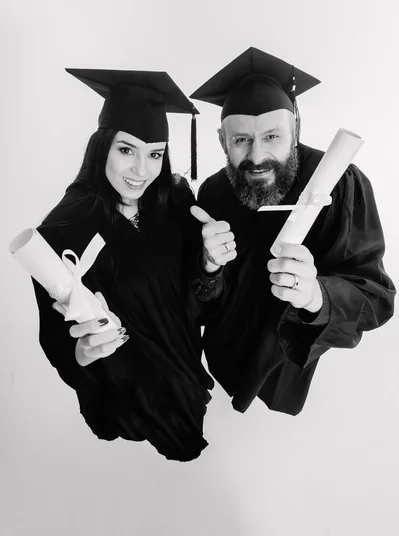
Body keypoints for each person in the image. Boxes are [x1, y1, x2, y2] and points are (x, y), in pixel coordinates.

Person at [189, 47, 395, 415]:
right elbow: (203, 302)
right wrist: (208, 267)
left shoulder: (339, 182)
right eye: (241, 140)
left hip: (291, 373)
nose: (256, 158)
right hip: (217, 361)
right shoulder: (215, 191)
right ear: (223, 140)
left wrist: (316, 295)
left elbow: (377, 299)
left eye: (272, 136)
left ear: (296, 128)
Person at [32, 68, 215, 462]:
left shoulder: (175, 202)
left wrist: (210, 263)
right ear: (102, 147)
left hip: (186, 377)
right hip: (127, 402)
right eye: (126, 150)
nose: (141, 171)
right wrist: (82, 353)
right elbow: (55, 336)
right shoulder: (64, 230)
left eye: (155, 154)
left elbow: (196, 302)